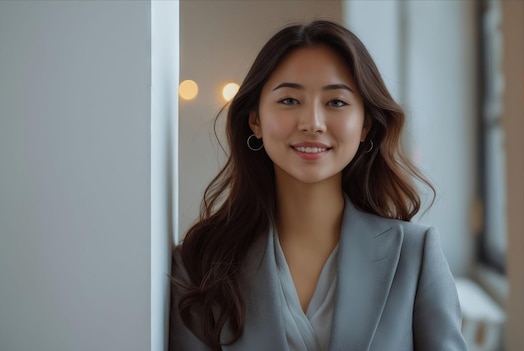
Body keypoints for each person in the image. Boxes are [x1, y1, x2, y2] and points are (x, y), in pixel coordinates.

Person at [169, 20, 467, 351]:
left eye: (336, 102)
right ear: (255, 120)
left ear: (365, 123)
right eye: (289, 101)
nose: (312, 123)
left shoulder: (415, 255)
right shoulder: (199, 263)